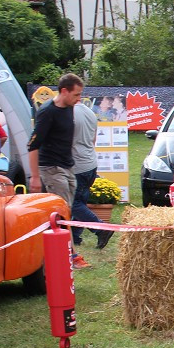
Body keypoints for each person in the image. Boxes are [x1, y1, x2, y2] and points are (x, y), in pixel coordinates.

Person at [28, 73, 86, 268]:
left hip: (67, 166)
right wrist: (35, 176)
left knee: (67, 210)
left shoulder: (68, 108)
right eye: (76, 95)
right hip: (51, 168)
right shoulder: (47, 112)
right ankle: (70, 256)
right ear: (64, 91)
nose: (79, 100)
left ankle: (66, 253)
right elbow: (33, 145)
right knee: (60, 213)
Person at [70, 101, 114, 252]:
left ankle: (101, 229)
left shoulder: (70, 113)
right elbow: (93, 140)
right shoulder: (89, 113)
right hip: (90, 163)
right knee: (80, 201)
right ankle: (75, 237)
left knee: (73, 203)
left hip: (77, 164)